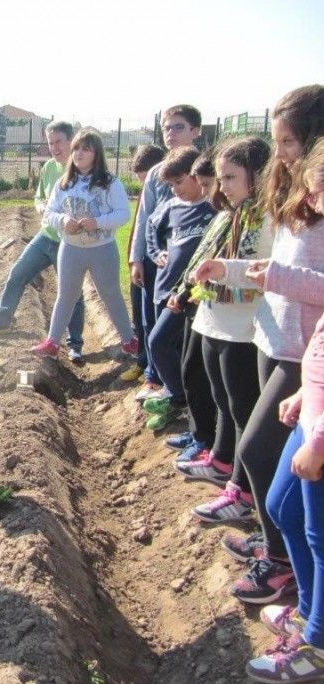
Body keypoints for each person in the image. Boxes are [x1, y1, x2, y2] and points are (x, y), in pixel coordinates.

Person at [193, 84, 324, 603]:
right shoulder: (298, 194)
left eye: (289, 142)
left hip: (304, 355)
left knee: (256, 449)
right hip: (273, 338)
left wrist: (275, 276)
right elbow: (278, 272)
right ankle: (277, 543)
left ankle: (281, 562)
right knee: (261, 451)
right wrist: (228, 269)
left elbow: (305, 279)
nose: (282, 155)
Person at [246, 140, 324, 683]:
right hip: (314, 404)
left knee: (321, 532)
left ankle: (316, 648)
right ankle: (311, 612)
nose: (312, 191)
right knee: (281, 506)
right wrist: (304, 390)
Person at [174, 137, 272, 525]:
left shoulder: (267, 220)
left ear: (258, 175)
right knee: (224, 401)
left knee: (244, 409)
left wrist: (224, 278)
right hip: (215, 320)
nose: (223, 186)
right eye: (221, 177)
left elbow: (265, 275)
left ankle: (241, 490)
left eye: (231, 177)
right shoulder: (231, 215)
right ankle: (222, 461)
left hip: (243, 328)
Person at [0, 122, 85, 362]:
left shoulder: (81, 170)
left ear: (71, 140)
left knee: (73, 293)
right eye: (50, 143)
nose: (54, 147)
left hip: (70, 243)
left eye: (58, 141)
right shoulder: (48, 167)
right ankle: (2, 320)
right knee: (18, 274)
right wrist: (39, 205)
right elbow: (40, 195)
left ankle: (75, 343)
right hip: (46, 236)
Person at [31, 128, 136, 359]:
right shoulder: (64, 183)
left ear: (96, 154)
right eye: (76, 148)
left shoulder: (110, 183)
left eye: (85, 149)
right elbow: (49, 213)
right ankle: (52, 342)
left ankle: (129, 340)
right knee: (66, 295)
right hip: (71, 249)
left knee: (110, 294)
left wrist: (97, 222)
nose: (78, 153)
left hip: (102, 250)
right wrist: (63, 220)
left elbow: (123, 214)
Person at [129, 105, 203, 403]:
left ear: (195, 131)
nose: (170, 134)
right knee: (150, 319)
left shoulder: (205, 169)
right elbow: (145, 217)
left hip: (189, 262)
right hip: (156, 257)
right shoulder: (157, 172)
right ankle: (155, 378)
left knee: (179, 328)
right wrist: (137, 257)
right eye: (166, 128)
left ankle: (180, 390)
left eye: (178, 127)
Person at [141, 146, 217, 431]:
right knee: (164, 344)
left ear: (197, 177)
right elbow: (151, 226)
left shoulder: (212, 210)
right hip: (166, 289)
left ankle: (179, 397)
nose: (175, 190)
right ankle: (179, 397)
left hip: (192, 296)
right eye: (171, 184)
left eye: (180, 182)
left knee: (161, 342)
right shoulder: (172, 207)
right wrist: (155, 251)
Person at [164, 148, 219, 454]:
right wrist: (182, 291)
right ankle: (198, 432)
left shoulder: (223, 217)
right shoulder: (221, 217)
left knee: (208, 380)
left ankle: (208, 443)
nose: (211, 191)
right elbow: (197, 262)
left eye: (210, 184)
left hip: (211, 309)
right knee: (191, 370)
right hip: (194, 303)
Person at [120, 144, 166, 384]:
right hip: (141, 261)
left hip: (158, 260)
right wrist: (134, 258)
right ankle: (143, 361)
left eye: (146, 178)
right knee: (140, 316)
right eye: (140, 179)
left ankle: (154, 369)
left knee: (154, 319)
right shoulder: (146, 193)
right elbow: (139, 226)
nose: (144, 183)